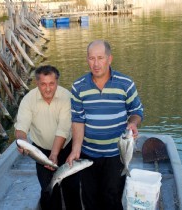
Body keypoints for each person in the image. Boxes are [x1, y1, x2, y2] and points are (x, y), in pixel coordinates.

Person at [66, 40, 144, 210]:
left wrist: (133, 123)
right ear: (87, 60)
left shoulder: (125, 83)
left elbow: (137, 111)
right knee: (90, 200)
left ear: (109, 59)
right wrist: (75, 149)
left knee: (112, 199)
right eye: (91, 58)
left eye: (100, 58)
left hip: (116, 154)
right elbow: (78, 121)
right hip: (88, 154)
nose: (96, 63)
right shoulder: (78, 87)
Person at [14, 65, 82, 210]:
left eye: (52, 83)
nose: (48, 88)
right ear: (36, 83)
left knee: (72, 189)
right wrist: (22, 142)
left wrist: (55, 154)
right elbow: (21, 128)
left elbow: (63, 129)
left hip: (66, 149)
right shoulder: (28, 100)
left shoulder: (67, 97)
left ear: (57, 82)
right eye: (43, 84)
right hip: (41, 152)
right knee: (49, 192)